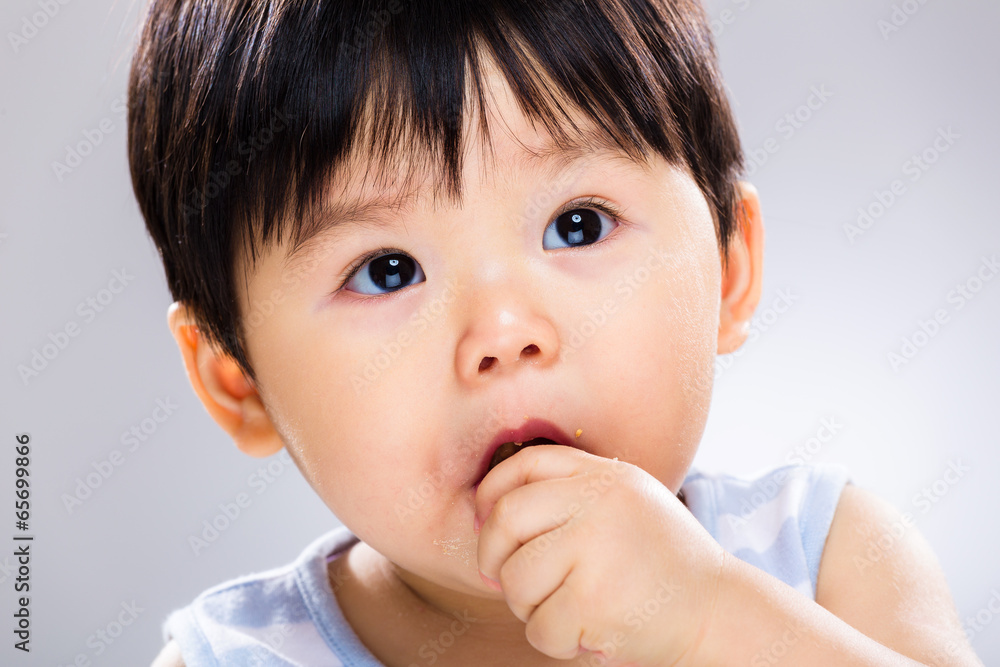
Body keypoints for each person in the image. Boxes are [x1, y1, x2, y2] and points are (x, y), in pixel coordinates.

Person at [127, 0, 981, 665]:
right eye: (387, 269)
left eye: (578, 223)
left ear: (730, 270)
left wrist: (712, 622)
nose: (503, 333)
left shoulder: (822, 562)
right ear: (237, 380)